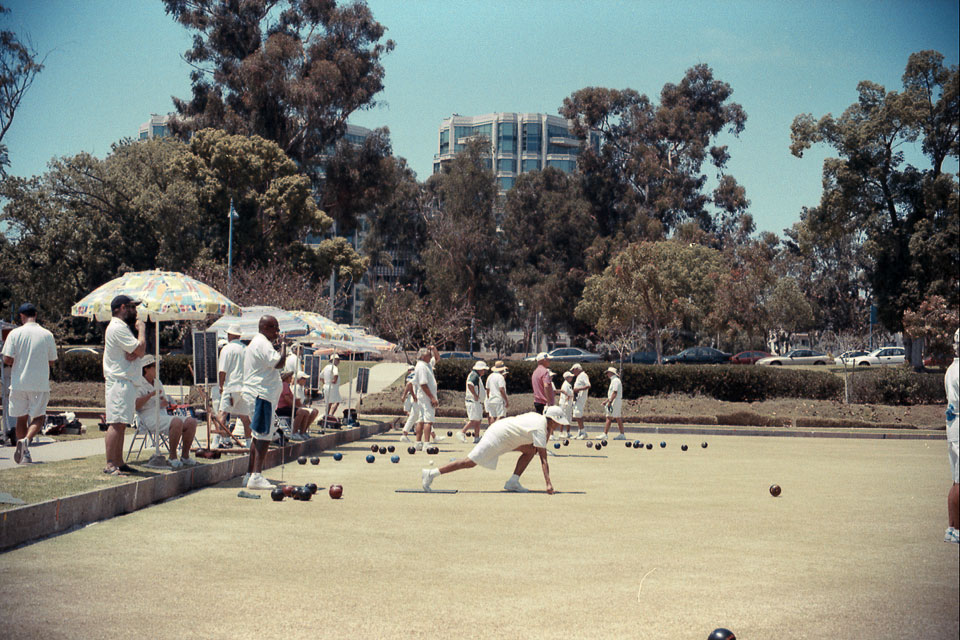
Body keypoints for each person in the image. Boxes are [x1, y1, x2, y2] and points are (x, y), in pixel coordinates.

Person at [421, 405, 569, 494]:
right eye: (558, 422)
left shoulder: (540, 420)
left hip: (506, 437)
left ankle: (513, 482)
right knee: (469, 462)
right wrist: (548, 483)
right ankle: (431, 474)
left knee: (531, 450)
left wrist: (549, 431)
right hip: (497, 436)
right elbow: (544, 459)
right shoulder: (540, 427)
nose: (559, 425)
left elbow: (539, 448)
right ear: (552, 419)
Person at [2, 303, 58, 465]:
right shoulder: (47, 334)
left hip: (19, 382)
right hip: (39, 383)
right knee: (38, 417)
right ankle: (25, 441)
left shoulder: (15, 333)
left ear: (21, 316)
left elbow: (7, 359)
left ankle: (24, 452)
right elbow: (52, 361)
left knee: (21, 418)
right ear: (36, 315)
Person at [101, 295, 147, 475]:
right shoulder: (117, 327)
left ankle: (119, 461)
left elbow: (135, 351)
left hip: (125, 382)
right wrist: (142, 330)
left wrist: (135, 351)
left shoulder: (122, 328)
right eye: (131, 307)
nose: (134, 311)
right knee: (116, 422)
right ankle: (110, 463)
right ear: (121, 307)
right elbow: (141, 349)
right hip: (119, 381)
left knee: (122, 423)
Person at [241, 315, 286, 490]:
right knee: (263, 436)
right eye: (275, 328)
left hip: (260, 394)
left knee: (257, 435)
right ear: (265, 328)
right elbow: (279, 362)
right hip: (261, 395)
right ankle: (256, 476)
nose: (278, 332)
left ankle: (250, 474)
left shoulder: (259, 343)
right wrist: (283, 345)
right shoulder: (262, 343)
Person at [135, 355, 198, 469]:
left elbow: (164, 400)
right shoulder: (138, 383)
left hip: (163, 414)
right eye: (155, 366)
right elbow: (136, 405)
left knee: (191, 421)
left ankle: (185, 456)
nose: (157, 369)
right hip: (148, 417)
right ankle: (172, 457)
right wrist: (150, 395)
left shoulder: (157, 382)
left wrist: (165, 402)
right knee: (177, 421)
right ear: (146, 368)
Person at [216, 325, 250, 448]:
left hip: (231, 386)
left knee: (222, 414)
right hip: (244, 387)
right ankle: (249, 442)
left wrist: (221, 385)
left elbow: (222, 371)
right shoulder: (246, 349)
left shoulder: (227, 349)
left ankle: (223, 439)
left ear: (230, 335)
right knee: (245, 417)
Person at [945, 328, 959, 544]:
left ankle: (953, 528)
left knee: (957, 479)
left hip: (954, 424)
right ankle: (954, 528)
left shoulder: (951, 368)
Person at [277, 371, 319, 440]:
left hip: (286, 407)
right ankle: (294, 432)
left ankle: (302, 432)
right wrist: (295, 407)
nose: (291, 378)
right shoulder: (284, 384)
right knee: (302, 412)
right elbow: (287, 398)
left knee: (305, 412)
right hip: (282, 408)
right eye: (290, 377)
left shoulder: (287, 385)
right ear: (286, 378)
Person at [414, 345, 440, 451]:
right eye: (429, 355)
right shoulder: (421, 366)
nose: (431, 357)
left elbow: (437, 358)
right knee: (428, 420)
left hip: (424, 396)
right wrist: (432, 397)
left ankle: (418, 443)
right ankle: (426, 443)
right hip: (426, 397)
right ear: (423, 356)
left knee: (421, 419)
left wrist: (434, 350)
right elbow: (423, 384)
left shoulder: (427, 364)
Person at [458, 361, 488, 443]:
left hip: (476, 402)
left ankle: (477, 437)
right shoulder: (474, 375)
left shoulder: (476, 376)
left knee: (478, 420)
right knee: (474, 419)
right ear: (479, 369)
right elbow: (470, 384)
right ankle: (462, 432)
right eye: (483, 370)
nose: (484, 372)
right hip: (473, 401)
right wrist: (475, 394)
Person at [599, 366, 626, 440]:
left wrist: (610, 402)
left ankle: (605, 434)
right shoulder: (614, 380)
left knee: (609, 417)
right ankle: (622, 434)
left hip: (615, 401)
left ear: (611, 373)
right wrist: (606, 401)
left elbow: (615, 392)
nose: (607, 374)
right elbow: (612, 394)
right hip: (615, 400)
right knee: (617, 417)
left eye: (608, 372)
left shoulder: (615, 381)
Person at [485, 361, 509, 427]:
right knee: (500, 416)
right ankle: (495, 429)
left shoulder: (490, 376)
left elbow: (487, 389)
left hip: (491, 399)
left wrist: (488, 397)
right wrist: (506, 401)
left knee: (492, 416)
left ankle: (491, 431)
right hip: (499, 400)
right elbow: (501, 389)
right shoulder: (500, 377)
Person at [571, 363, 590, 439]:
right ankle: (580, 432)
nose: (573, 372)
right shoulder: (579, 376)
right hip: (577, 398)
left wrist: (578, 389)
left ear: (577, 369)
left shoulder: (583, 375)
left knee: (578, 414)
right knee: (576, 414)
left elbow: (588, 385)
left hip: (581, 398)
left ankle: (583, 432)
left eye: (573, 370)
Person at [399, 365, 418, 442]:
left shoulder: (411, 375)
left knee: (415, 415)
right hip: (413, 396)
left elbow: (408, 385)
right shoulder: (417, 374)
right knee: (416, 415)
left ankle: (407, 432)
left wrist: (404, 395)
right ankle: (414, 425)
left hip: (412, 396)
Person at [321, 354, 341, 421]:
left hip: (326, 386)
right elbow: (336, 374)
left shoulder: (326, 367)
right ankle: (331, 415)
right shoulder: (334, 367)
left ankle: (326, 415)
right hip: (333, 386)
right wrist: (334, 380)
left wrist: (324, 382)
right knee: (337, 401)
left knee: (328, 402)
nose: (338, 361)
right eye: (337, 360)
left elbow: (321, 376)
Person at [558, 370, 575, 440]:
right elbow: (566, 394)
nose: (571, 378)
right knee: (563, 417)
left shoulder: (568, 384)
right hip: (565, 404)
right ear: (567, 377)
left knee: (568, 418)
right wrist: (566, 402)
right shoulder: (565, 385)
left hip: (568, 404)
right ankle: (561, 432)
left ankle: (568, 432)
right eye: (570, 377)